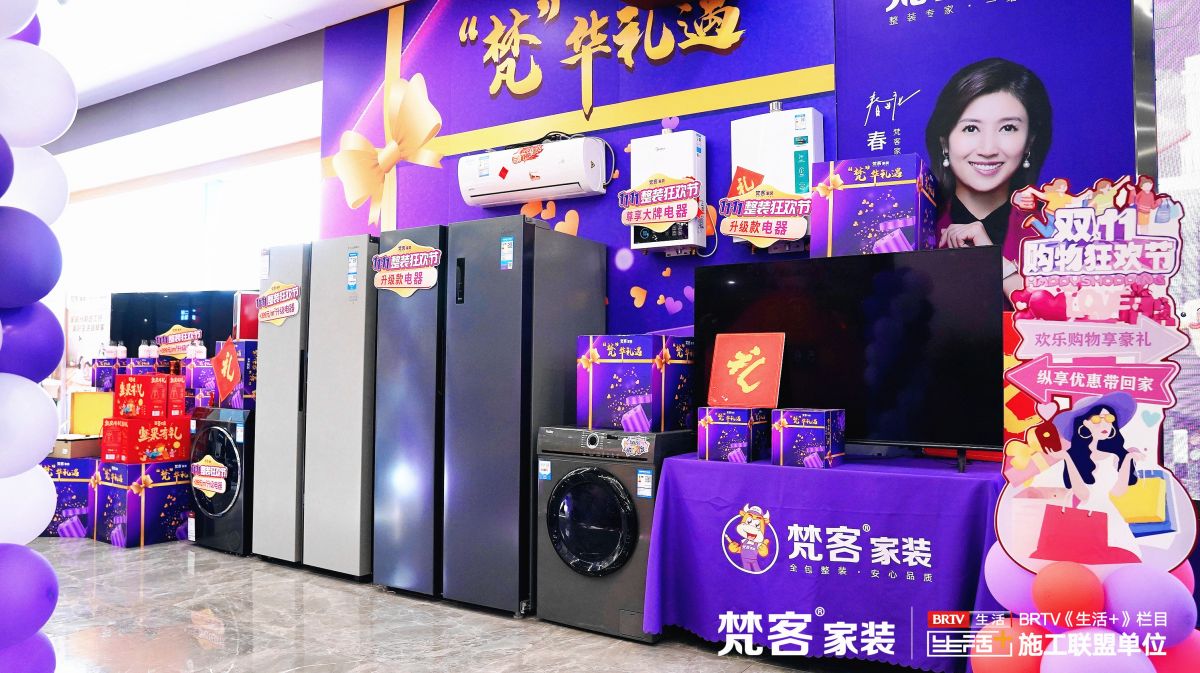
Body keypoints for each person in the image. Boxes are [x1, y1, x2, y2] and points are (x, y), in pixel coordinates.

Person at [925, 58, 1052, 301]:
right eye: (971, 128)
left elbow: (1061, 315)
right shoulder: (918, 227)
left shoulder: (1052, 229)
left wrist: (995, 261)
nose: (988, 149)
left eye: (1008, 128)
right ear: (945, 142)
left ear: (1029, 141)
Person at [1055, 392, 1147, 557]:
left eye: (1109, 418)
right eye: (1097, 419)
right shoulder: (1076, 456)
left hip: (1110, 515)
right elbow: (1083, 495)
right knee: (1083, 556)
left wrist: (1128, 459)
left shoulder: (1115, 456)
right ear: (1085, 423)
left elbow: (1118, 492)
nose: (1105, 424)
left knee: (1123, 556)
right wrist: (1068, 459)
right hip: (1085, 516)